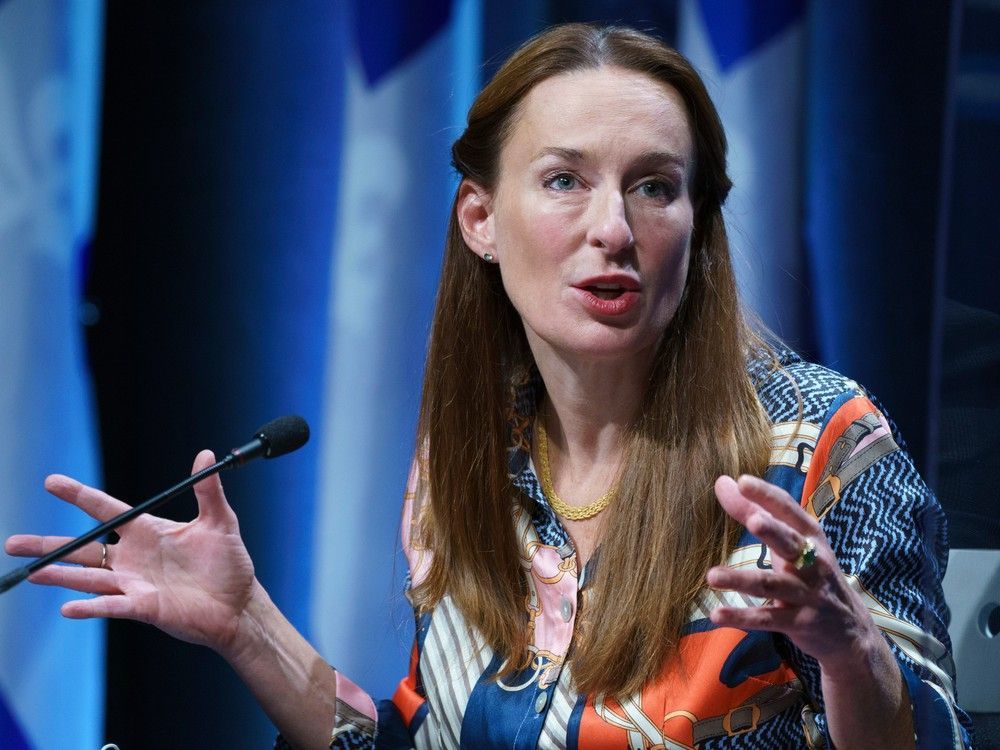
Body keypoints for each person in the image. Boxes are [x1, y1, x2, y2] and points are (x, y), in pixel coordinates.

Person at [5, 24, 972, 750]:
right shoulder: (472, 459)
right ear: (481, 218)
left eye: (655, 187)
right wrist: (247, 624)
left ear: (699, 226)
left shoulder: (818, 445)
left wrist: (851, 649)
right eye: (563, 181)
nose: (614, 229)